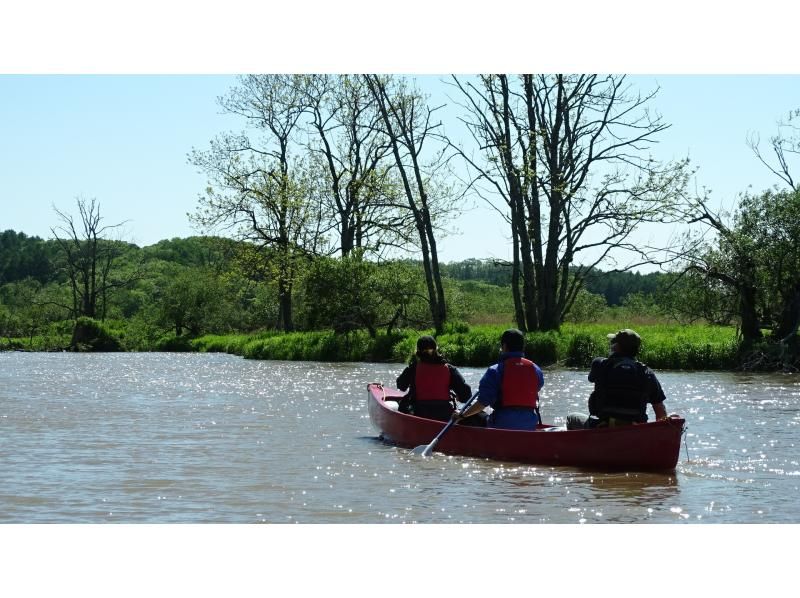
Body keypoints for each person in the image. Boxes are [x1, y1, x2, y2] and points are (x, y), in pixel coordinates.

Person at [566, 328, 668, 430]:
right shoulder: (647, 372)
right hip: (635, 431)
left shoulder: (599, 364)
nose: (611, 345)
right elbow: (660, 412)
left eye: (612, 342)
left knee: (572, 418)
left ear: (617, 347)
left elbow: (591, 378)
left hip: (603, 427)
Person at [453, 328, 544, 431]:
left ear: (504, 346)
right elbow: (537, 386)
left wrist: (462, 414)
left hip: (502, 426)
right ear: (522, 347)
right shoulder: (536, 370)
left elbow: (482, 403)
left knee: (469, 416)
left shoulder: (495, 370)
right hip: (530, 425)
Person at [396, 335, 472, 421]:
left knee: (403, 404)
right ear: (436, 349)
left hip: (419, 414)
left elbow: (401, 386)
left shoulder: (413, 368)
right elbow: (466, 395)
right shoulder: (449, 369)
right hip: (444, 416)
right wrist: (459, 397)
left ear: (418, 351)